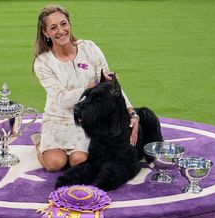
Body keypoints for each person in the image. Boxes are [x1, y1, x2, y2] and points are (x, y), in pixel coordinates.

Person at [32, 5, 139, 172]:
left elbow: (111, 85)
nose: (61, 30)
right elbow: (62, 99)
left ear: (69, 24)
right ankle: (39, 143)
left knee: (79, 161)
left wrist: (131, 112)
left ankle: (66, 150)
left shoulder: (89, 48)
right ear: (45, 33)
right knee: (55, 164)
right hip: (57, 118)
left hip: (88, 120)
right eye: (53, 27)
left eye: (64, 23)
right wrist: (88, 88)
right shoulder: (42, 62)